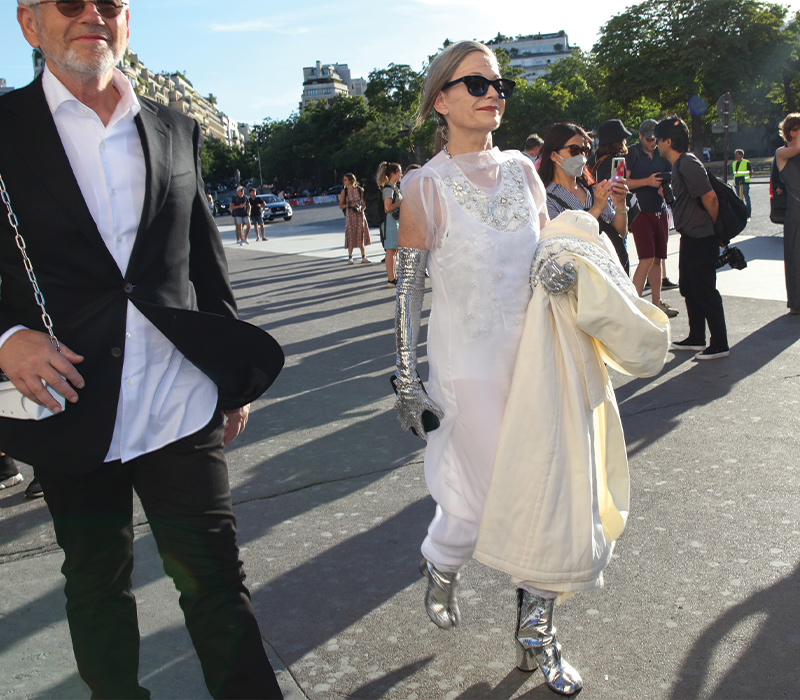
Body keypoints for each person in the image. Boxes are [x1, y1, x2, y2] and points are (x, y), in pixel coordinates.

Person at [0, 2, 285, 698]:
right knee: (97, 585)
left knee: (217, 582)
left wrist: (229, 378)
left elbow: (203, 262)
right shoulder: (4, 130)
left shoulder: (173, 127)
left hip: (178, 399)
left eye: (111, 2)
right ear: (30, 22)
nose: (92, 14)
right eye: (71, 1)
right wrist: (6, 341)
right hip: (69, 402)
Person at [394, 40, 591, 695]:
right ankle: (442, 560)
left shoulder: (525, 172)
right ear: (441, 100)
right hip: (467, 367)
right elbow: (408, 290)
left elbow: (543, 255)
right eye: (475, 83)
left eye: (499, 85)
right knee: (486, 502)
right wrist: (404, 376)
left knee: (545, 493)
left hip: (538, 357)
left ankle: (537, 632)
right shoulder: (422, 187)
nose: (492, 95)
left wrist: (566, 269)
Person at [655, 116, 728, 360]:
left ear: (668, 141)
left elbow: (710, 198)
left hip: (701, 236)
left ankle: (720, 343)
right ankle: (697, 337)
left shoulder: (687, 163)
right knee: (689, 287)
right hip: (690, 235)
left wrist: (717, 230)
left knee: (705, 290)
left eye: (658, 140)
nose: (656, 144)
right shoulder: (679, 165)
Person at [538, 122, 630, 274]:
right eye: (574, 150)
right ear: (554, 155)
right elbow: (562, 242)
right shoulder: (546, 198)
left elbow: (620, 231)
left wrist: (620, 202)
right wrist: (596, 209)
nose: (581, 156)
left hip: (612, 272)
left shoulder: (592, 190)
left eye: (584, 150)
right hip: (581, 279)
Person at [626, 118, 679, 318]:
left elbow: (670, 174)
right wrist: (647, 182)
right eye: (648, 139)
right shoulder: (632, 153)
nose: (652, 143)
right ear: (640, 136)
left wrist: (665, 187)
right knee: (646, 258)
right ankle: (634, 304)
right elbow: (625, 183)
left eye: (655, 139)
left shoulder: (660, 152)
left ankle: (657, 303)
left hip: (660, 209)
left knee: (657, 259)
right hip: (641, 212)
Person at [775, 113, 800, 313]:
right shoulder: (782, 152)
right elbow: (797, 148)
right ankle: (797, 302)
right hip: (796, 208)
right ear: (793, 132)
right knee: (794, 254)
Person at [377, 162, 402, 286]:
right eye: (399, 172)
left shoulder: (392, 188)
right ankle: (391, 278)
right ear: (393, 173)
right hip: (390, 221)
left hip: (393, 221)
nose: (401, 175)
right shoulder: (389, 189)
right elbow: (388, 207)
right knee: (391, 250)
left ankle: (393, 277)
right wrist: (401, 202)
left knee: (393, 250)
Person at [339, 173, 371, 264]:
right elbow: (341, 205)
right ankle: (350, 257)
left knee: (361, 233)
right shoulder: (344, 191)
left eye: (345, 179)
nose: (344, 181)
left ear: (351, 180)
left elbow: (364, 202)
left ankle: (363, 256)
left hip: (360, 215)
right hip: (350, 215)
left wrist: (361, 208)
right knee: (350, 233)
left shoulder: (359, 189)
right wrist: (350, 205)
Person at [732, 148, 753, 218]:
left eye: (737, 154)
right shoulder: (734, 163)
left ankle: (748, 214)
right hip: (737, 183)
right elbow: (735, 173)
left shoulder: (746, 162)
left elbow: (750, 172)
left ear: (741, 155)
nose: (736, 156)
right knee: (739, 199)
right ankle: (742, 213)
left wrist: (747, 178)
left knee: (746, 197)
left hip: (744, 183)